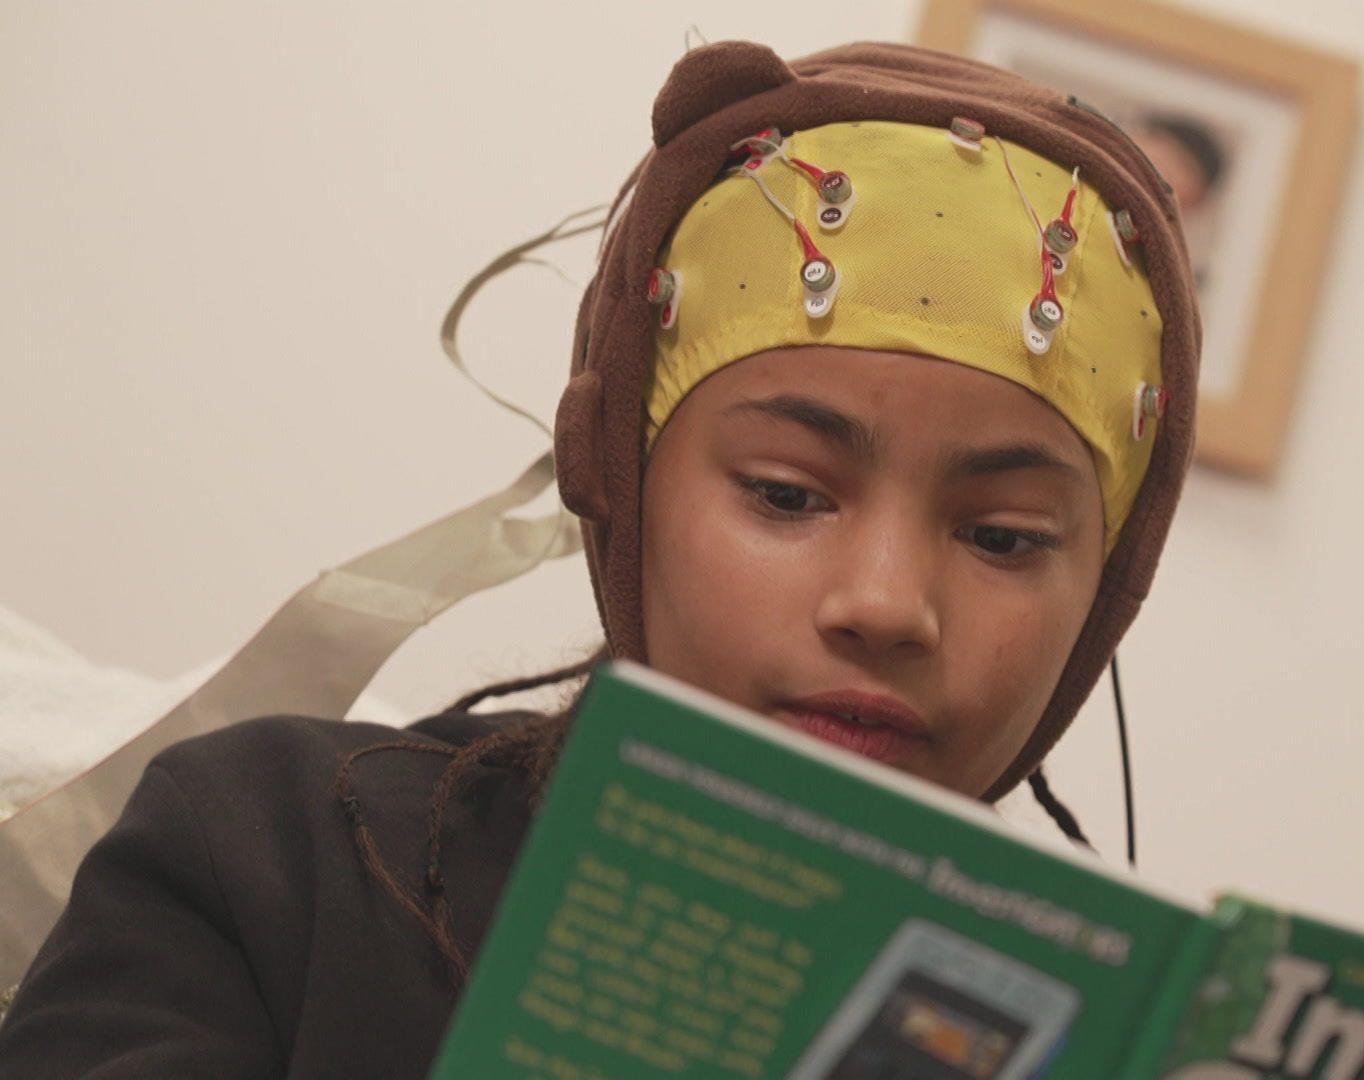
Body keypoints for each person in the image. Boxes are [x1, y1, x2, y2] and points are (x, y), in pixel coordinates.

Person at [0, 37, 1200, 1075]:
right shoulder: (271, 855)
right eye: (787, 494)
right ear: (620, 490)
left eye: (1000, 537)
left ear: (1103, 593)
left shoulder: (1118, 1037)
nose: (885, 605)